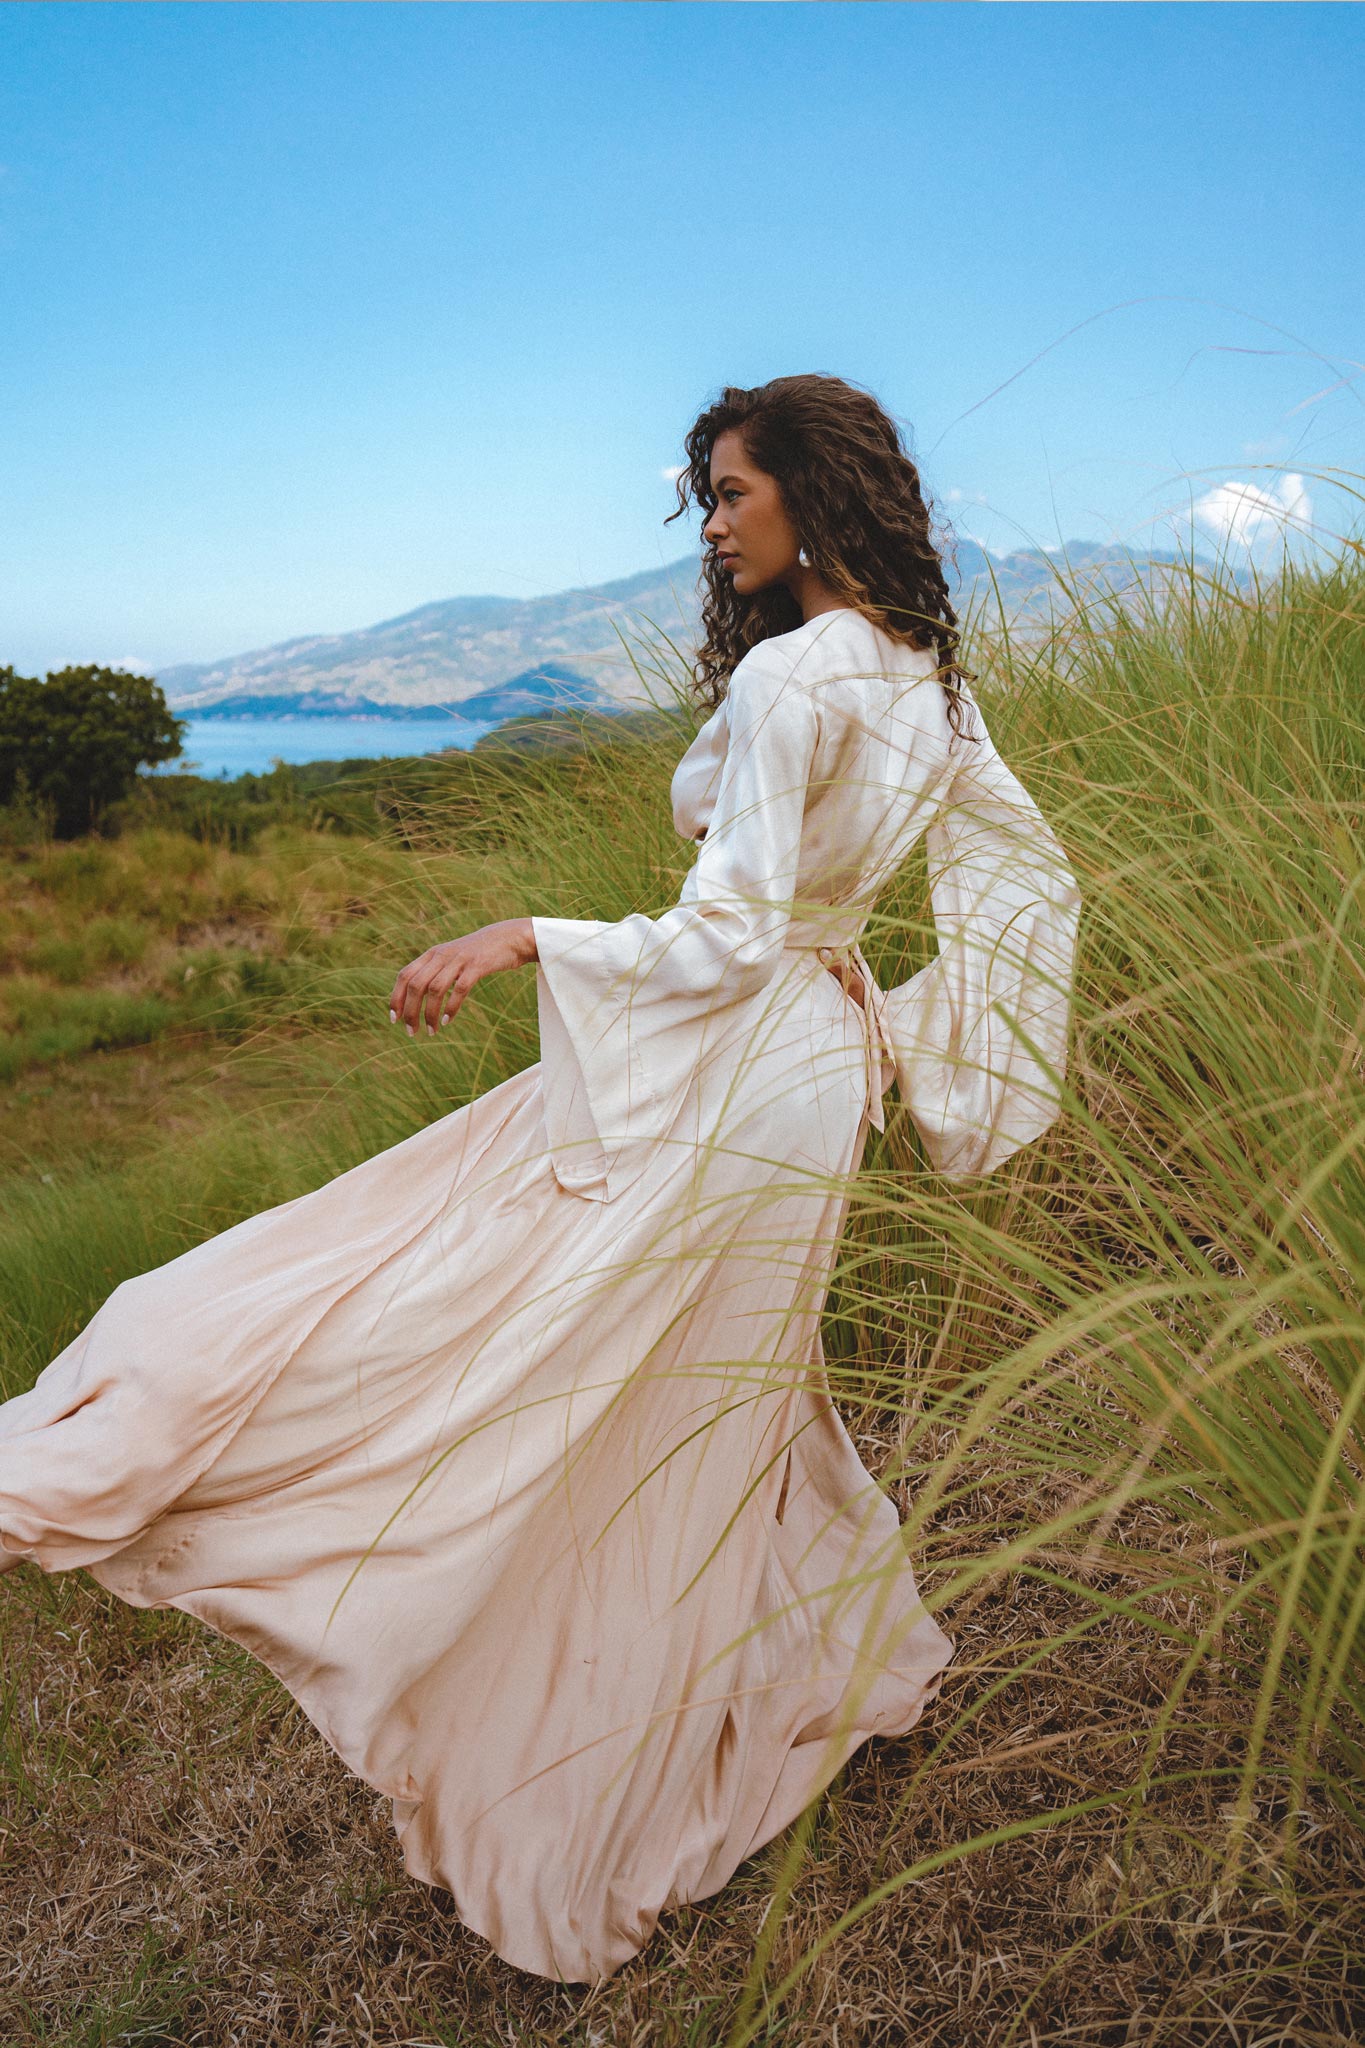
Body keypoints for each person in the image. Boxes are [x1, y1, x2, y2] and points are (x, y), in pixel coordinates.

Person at [0, 374, 1081, 1986]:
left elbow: (721, 939)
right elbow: (1024, 875)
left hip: (731, 1071)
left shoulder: (797, 678)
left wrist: (525, 935)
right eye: (705, 495)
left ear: (811, 494)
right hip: (809, 1079)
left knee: (439, 1302)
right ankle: (803, 1681)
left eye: (728, 491)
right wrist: (899, 1015)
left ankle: (148, 1466)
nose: (710, 522)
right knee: (711, 1405)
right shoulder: (933, 681)